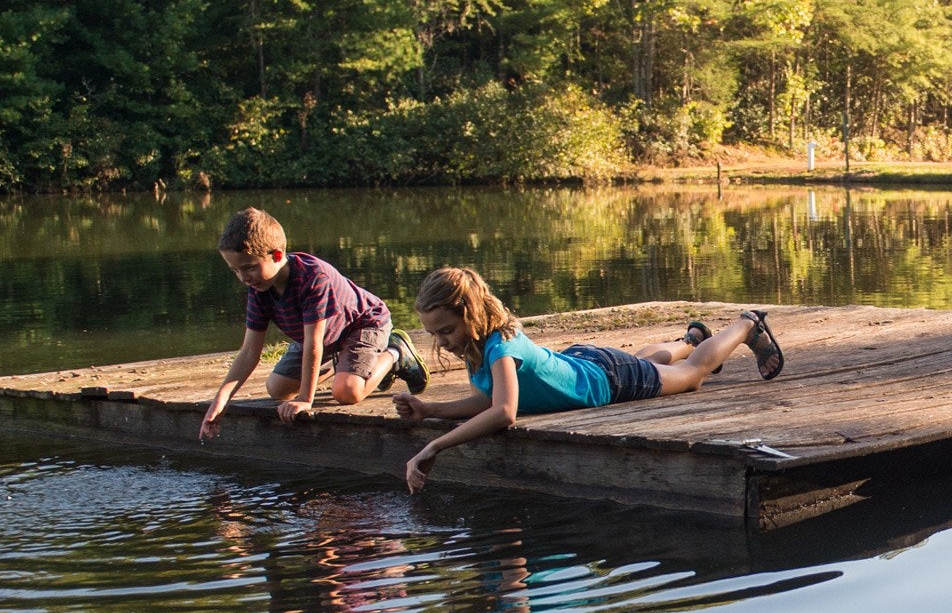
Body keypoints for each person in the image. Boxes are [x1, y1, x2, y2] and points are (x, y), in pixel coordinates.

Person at [392, 266, 784, 493]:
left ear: (469, 315)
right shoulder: (478, 343)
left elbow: (505, 412)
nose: (441, 342)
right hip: (590, 364)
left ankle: (746, 325)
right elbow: (489, 400)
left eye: (445, 331)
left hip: (606, 380)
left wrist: (435, 446)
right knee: (641, 365)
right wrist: (431, 409)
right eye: (435, 334)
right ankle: (689, 340)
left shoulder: (498, 344)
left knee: (693, 375)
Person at [199, 207, 428, 442]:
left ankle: (395, 353)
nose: (243, 277)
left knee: (346, 392)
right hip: (325, 338)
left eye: (248, 267)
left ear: (277, 255)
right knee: (277, 389)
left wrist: (305, 399)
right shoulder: (259, 287)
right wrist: (221, 400)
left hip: (363, 324)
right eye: (235, 270)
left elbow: (314, 343)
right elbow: (249, 352)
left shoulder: (312, 277)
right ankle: (341, 363)